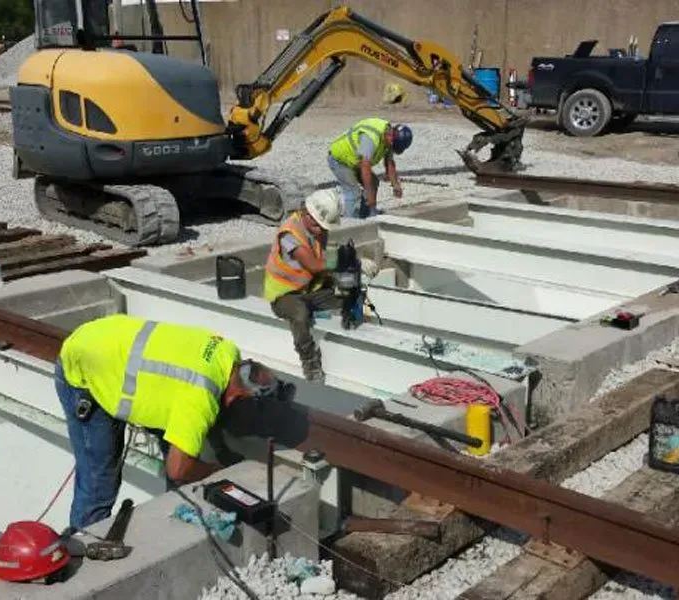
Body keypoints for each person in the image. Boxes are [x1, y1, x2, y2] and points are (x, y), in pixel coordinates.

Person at [54, 313, 282, 530]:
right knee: (100, 478)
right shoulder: (200, 400)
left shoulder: (227, 352)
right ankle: (83, 544)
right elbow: (177, 469)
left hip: (107, 339)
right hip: (85, 366)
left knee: (179, 445)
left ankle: (177, 512)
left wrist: (221, 451)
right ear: (235, 397)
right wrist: (216, 470)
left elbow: (209, 406)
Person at [264, 188, 377, 382]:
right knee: (300, 314)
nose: (322, 231)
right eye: (319, 226)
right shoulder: (290, 235)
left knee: (349, 290)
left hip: (311, 290)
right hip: (285, 295)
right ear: (307, 215)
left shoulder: (316, 229)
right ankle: (310, 361)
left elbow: (323, 259)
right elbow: (314, 265)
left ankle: (356, 332)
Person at [327, 118, 413, 219]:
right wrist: (369, 195)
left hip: (355, 161)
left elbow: (389, 163)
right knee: (353, 191)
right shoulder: (371, 138)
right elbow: (365, 167)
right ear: (391, 136)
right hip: (340, 159)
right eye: (392, 145)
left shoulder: (389, 136)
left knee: (373, 182)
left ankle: (366, 216)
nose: (390, 147)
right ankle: (348, 224)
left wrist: (396, 185)